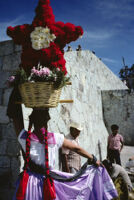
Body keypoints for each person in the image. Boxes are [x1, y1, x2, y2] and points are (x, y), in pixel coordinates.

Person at [11, 108, 118, 200]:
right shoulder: (56, 138)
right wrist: (94, 159)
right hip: (48, 183)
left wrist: (16, 90)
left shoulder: (24, 138)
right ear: (47, 120)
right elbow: (76, 148)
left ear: (32, 120)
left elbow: (15, 116)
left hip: (28, 183)